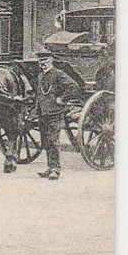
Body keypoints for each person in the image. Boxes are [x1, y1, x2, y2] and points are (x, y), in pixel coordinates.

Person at [35, 52, 78, 180]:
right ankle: (49, 168)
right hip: (42, 112)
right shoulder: (40, 76)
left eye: (45, 61)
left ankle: (55, 169)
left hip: (54, 112)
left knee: (53, 141)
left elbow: (74, 87)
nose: (42, 64)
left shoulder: (58, 74)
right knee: (46, 141)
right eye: (40, 62)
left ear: (51, 60)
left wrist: (62, 98)